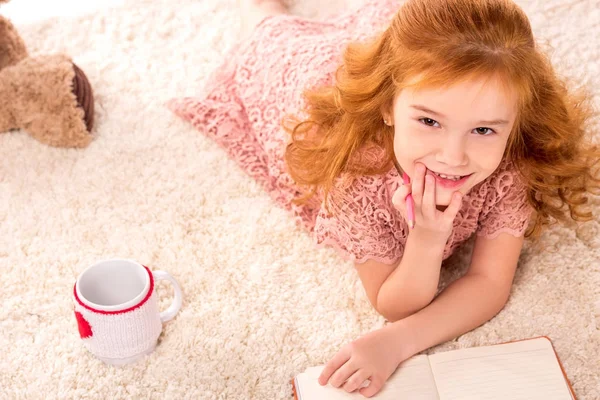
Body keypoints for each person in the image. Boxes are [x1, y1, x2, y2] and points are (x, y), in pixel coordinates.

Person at [168, 0, 600, 397]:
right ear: (389, 107)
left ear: (514, 124)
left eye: (483, 130)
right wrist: (428, 240)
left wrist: (397, 343)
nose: (452, 157)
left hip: (410, 76)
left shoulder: (510, 163)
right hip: (306, 87)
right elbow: (392, 303)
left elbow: (489, 283)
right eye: (429, 121)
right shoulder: (357, 177)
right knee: (268, 34)